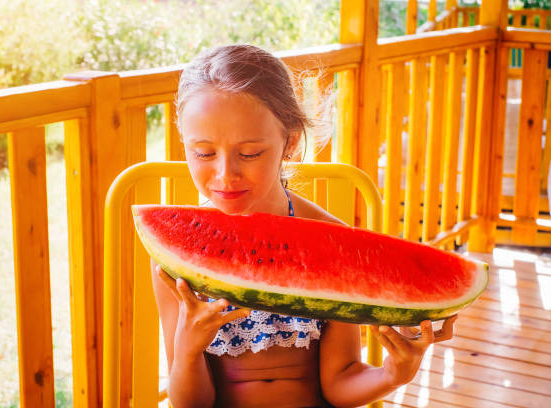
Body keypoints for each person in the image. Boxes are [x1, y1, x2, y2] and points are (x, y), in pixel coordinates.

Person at [150, 44, 457, 408]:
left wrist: (394, 373)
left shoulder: (335, 245)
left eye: (249, 153)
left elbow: (340, 384)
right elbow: (190, 404)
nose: (224, 175)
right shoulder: (175, 261)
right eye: (203, 153)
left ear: (290, 141)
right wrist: (187, 350)